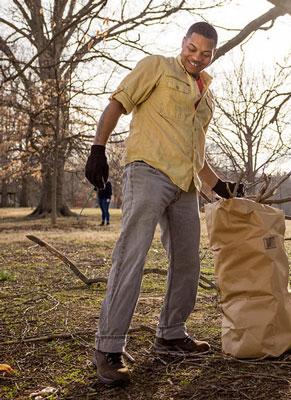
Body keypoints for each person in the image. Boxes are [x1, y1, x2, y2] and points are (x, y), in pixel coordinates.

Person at [84, 22, 243, 385]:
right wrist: (98, 148)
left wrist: (219, 185)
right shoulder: (156, 66)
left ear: (212, 54)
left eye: (206, 53)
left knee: (188, 260)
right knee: (132, 256)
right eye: (192, 48)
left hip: (186, 184)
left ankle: (171, 333)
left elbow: (195, 152)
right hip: (148, 172)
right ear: (183, 44)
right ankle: (108, 348)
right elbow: (117, 103)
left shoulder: (207, 94)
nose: (197, 57)